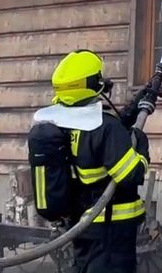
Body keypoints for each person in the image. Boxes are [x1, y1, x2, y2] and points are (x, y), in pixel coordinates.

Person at [28, 50, 153, 273]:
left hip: (83, 223)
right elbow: (131, 174)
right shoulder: (105, 128)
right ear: (94, 83)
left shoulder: (60, 122)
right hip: (111, 229)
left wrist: (136, 106)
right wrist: (141, 142)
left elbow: (101, 136)